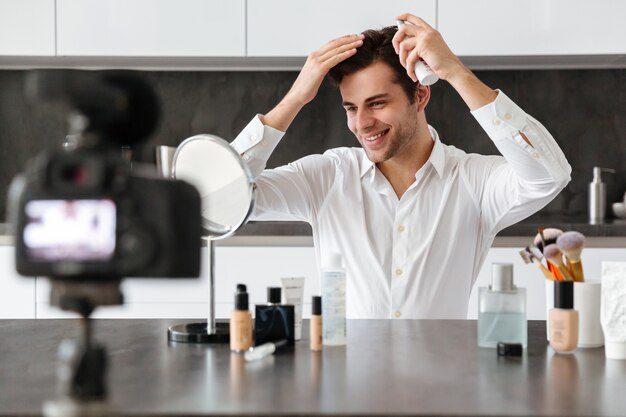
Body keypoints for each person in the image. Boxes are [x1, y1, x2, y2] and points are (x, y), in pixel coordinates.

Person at [231, 13, 571, 319]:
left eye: (377, 103)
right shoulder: (326, 177)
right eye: (351, 108)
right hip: (348, 383)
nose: (362, 123)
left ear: (420, 96)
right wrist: (295, 99)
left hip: (442, 385)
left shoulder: (473, 182)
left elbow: (550, 176)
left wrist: (454, 70)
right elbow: (220, 198)